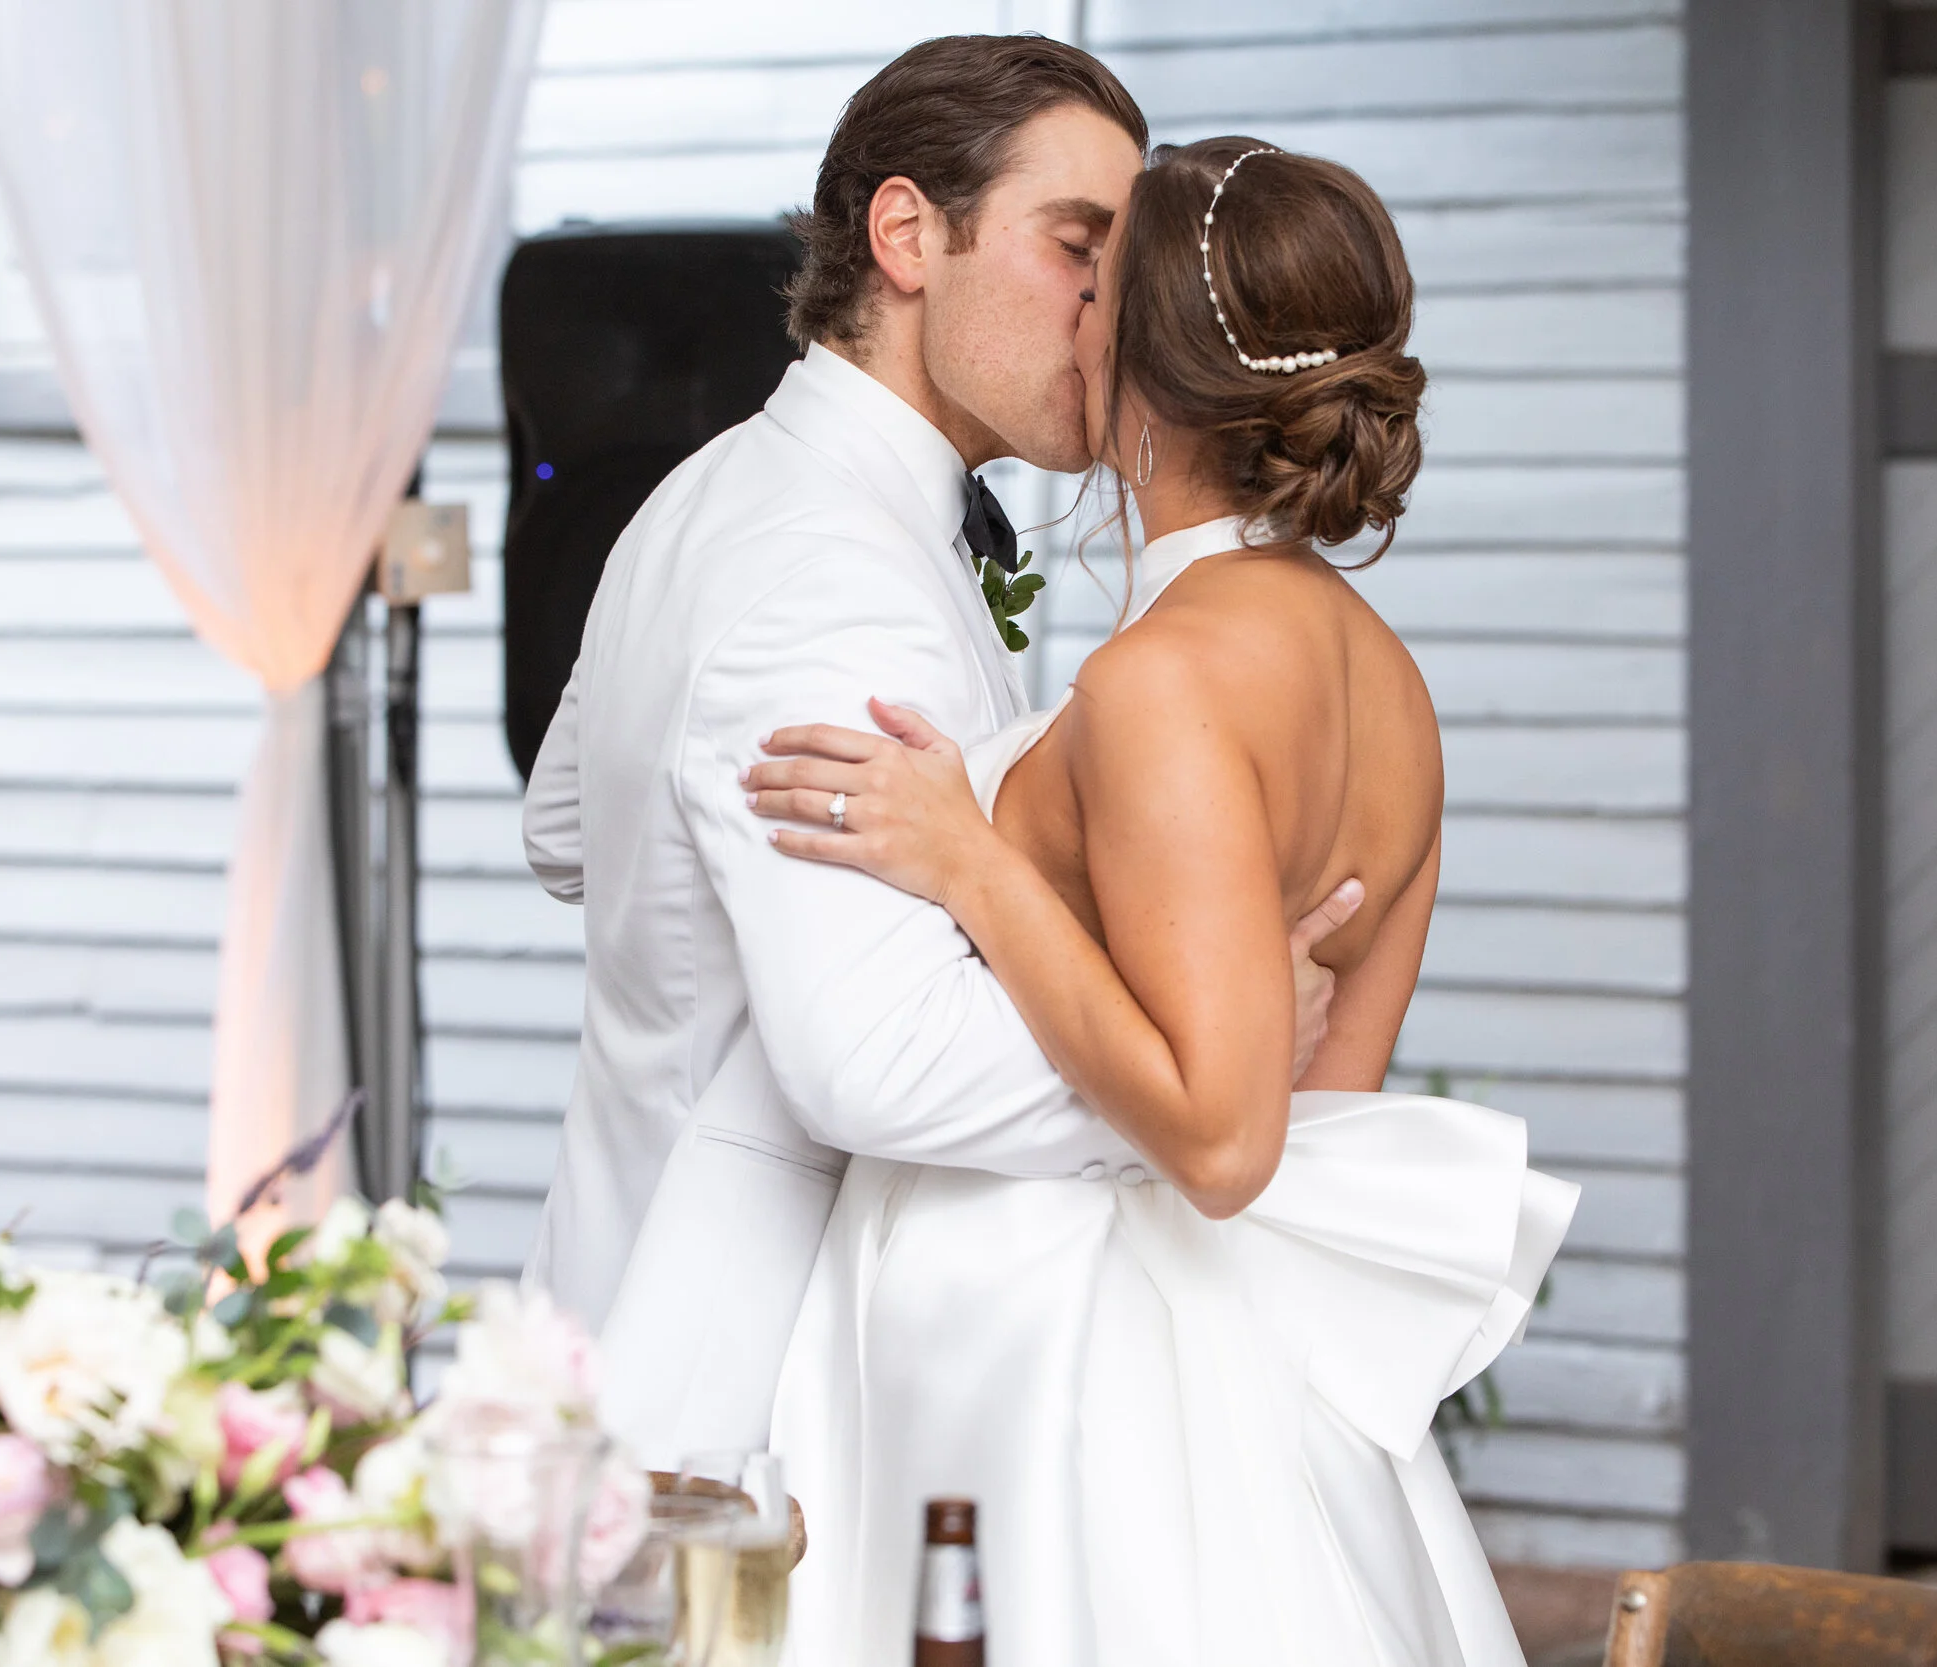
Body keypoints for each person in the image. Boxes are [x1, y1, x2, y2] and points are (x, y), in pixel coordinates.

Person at [747, 140, 1577, 1665]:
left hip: (1054, 1361)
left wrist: (971, 863)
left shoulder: (1163, 681)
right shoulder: (1390, 687)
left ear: (1133, 358)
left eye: (1093, 283)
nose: (1068, 312)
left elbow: (1228, 1133)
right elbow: (1334, 1104)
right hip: (1247, 1381)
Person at [517, 38, 1349, 1462]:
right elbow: (879, 1064)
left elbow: (564, 829)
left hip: (630, 1280)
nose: (1113, 305)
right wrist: (1205, 1061)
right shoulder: (826, 569)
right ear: (908, 235)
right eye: (1077, 245)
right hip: (745, 1382)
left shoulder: (708, 489)